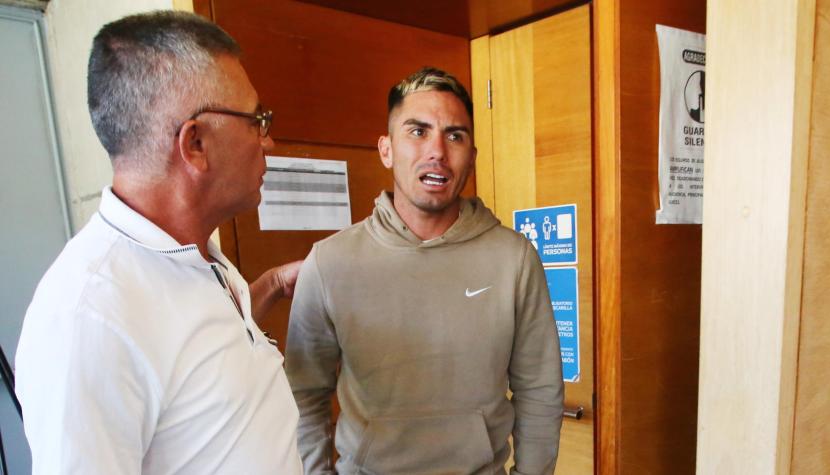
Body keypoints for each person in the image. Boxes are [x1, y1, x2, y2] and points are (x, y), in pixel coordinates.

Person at [15, 11, 303, 474]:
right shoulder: (87, 318)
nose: (267, 142)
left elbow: (192, 355)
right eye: (257, 120)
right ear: (195, 145)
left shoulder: (195, 254)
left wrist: (269, 285)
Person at [286, 67, 564, 475]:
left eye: (455, 136)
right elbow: (304, 396)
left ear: (472, 155)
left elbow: (539, 390)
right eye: (417, 131)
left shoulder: (514, 258)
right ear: (386, 149)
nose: (437, 150)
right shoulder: (330, 262)